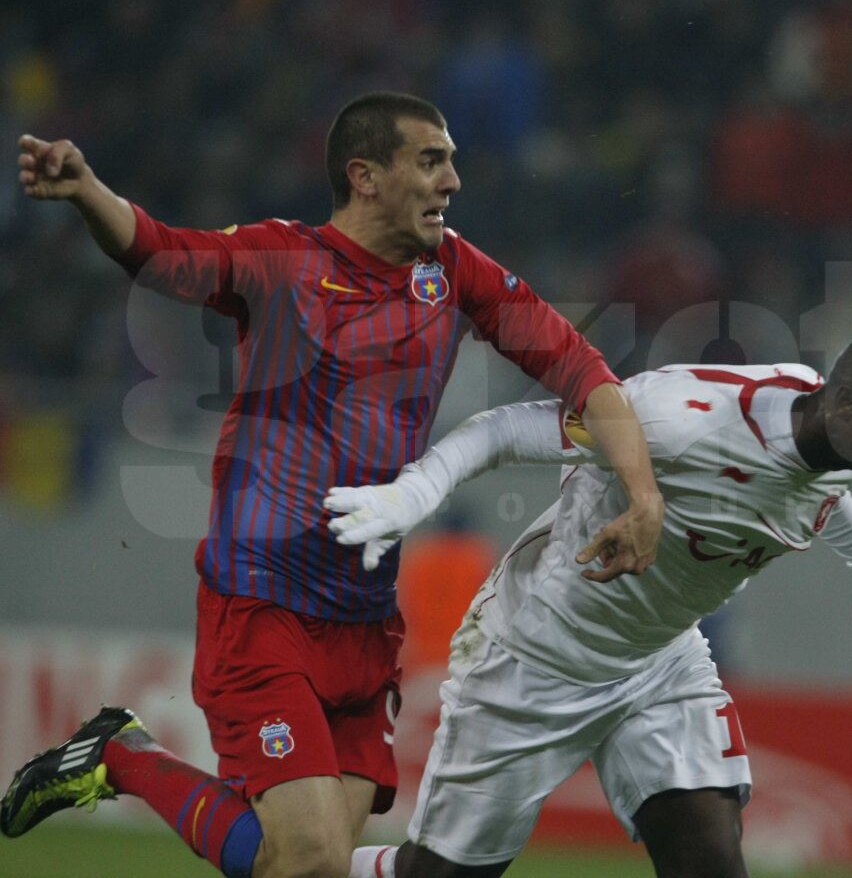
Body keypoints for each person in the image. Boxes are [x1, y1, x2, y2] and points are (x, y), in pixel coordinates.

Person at [2, 92, 664, 878]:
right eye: (431, 159)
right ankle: (125, 757)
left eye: (451, 159)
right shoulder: (285, 260)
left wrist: (643, 496)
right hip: (262, 607)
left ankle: (121, 749)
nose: (453, 180)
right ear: (366, 176)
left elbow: (580, 370)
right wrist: (84, 190)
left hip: (363, 620)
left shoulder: (450, 271)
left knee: (312, 865)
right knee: (311, 859)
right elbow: (157, 252)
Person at [321, 327, 852, 878]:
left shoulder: (831, 445)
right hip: (536, 655)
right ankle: (305, 867)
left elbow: (822, 496)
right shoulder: (681, 419)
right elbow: (506, 430)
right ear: (843, 405)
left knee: (711, 863)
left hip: (660, 663)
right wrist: (413, 492)